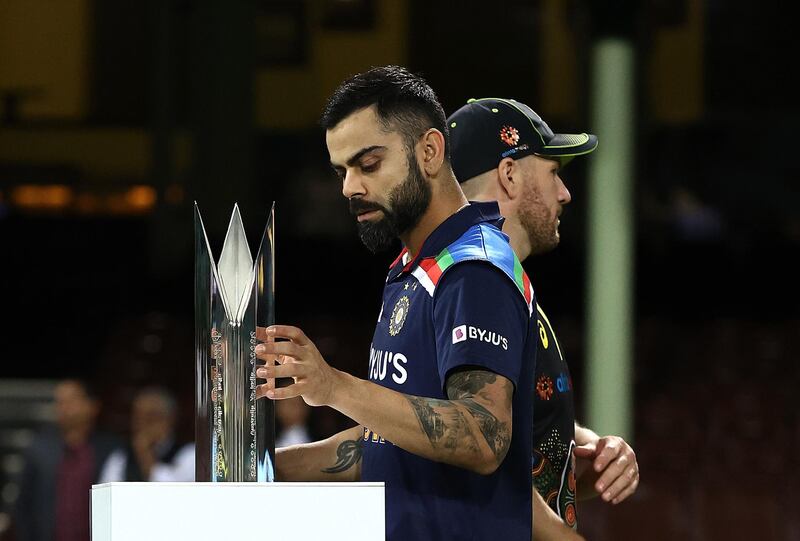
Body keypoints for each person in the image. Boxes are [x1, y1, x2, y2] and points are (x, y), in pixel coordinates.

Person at [255, 66, 537, 540]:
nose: (349, 187)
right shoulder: (413, 268)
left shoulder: (473, 269)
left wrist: (333, 387)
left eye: (368, 164)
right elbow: (390, 440)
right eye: (341, 170)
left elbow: (484, 436)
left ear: (429, 151)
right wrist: (261, 472)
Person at [447, 98, 640, 540]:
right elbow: (472, 447)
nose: (565, 192)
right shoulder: (474, 282)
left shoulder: (505, 283)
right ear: (509, 175)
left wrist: (590, 448)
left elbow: (516, 422)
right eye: (553, 171)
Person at [14, 379, 120, 541]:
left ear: (92, 406)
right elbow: (24, 505)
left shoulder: (111, 450)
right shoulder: (39, 449)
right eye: (59, 402)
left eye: (71, 400)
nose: (64, 408)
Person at [99, 386, 194, 482]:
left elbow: (175, 490)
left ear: (169, 419)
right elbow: (107, 493)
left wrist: (145, 454)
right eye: (137, 417)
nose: (142, 423)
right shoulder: (120, 457)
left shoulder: (189, 454)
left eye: (150, 417)